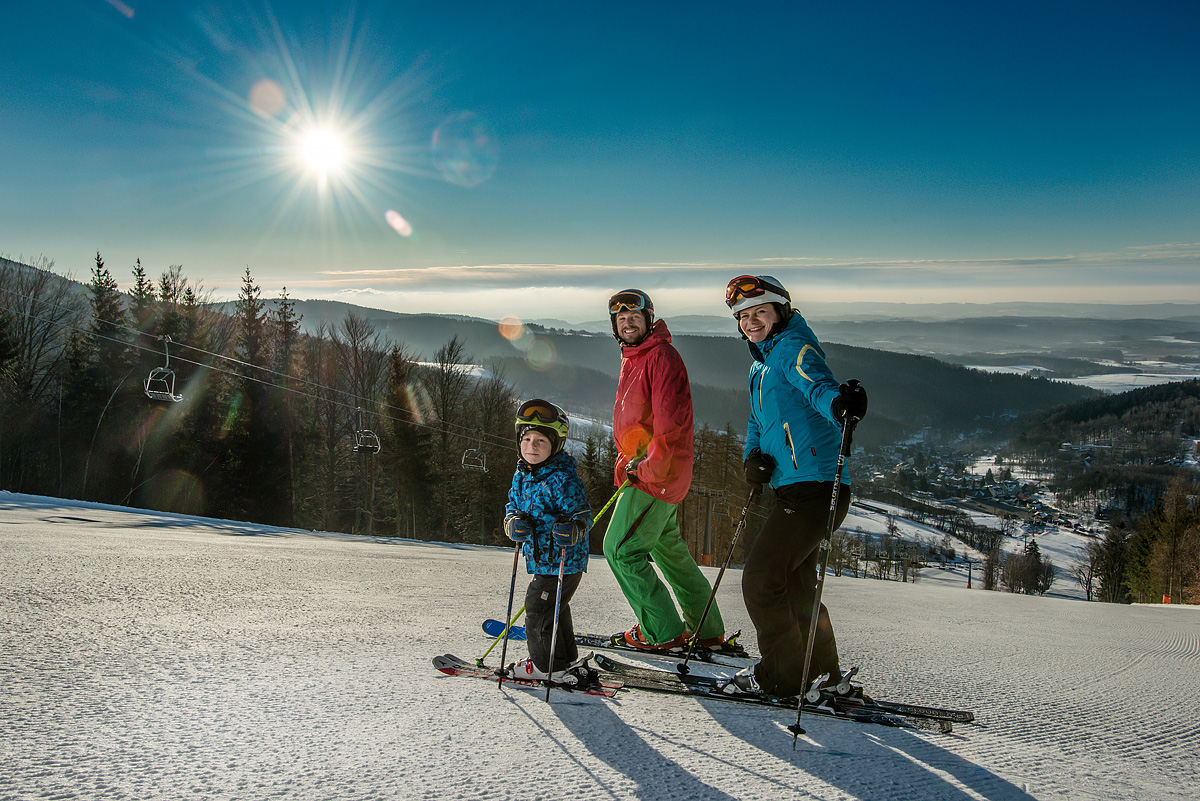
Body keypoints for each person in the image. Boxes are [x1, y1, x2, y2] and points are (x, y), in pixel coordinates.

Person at [723, 275, 869, 698]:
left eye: (760, 312)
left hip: (816, 487)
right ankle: (822, 673)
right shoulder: (761, 364)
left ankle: (782, 676)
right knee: (797, 586)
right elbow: (757, 420)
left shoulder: (793, 349)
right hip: (794, 488)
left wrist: (840, 405)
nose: (751, 322)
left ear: (781, 312)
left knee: (761, 579)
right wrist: (752, 456)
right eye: (743, 316)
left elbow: (816, 384)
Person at [602, 288, 727, 651]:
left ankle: (662, 631)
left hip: (654, 475)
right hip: (651, 471)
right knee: (668, 551)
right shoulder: (634, 357)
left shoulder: (661, 357)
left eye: (634, 317)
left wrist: (646, 468)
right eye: (621, 318)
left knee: (620, 550)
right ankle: (706, 629)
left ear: (649, 320)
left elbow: (670, 424)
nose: (628, 323)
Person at [503, 399, 594, 683]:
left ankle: (546, 667)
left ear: (555, 444)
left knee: (537, 610)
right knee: (555, 608)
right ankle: (564, 661)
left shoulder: (561, 478)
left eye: (541, 440)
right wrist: (512, 523)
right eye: (526, 439)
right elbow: (512, 506)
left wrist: (574, 528)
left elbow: (583, 514)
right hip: (542, 560)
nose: (532, 446)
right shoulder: (521, 475)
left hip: (564, 561)